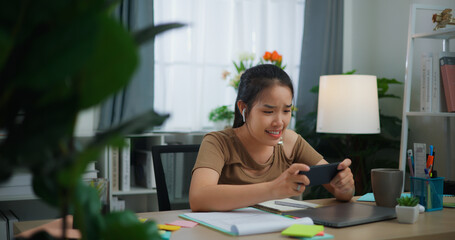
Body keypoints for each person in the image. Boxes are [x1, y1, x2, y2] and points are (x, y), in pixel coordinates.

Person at [189, 64, 355, 212]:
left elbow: (340, 190)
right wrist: (273, 189)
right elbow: (198, 198)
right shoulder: (218, 142)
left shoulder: (291, 141)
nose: (279, 122)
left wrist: (344, 187)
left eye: (286, 111)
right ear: (243, 108)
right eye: (268, 112)